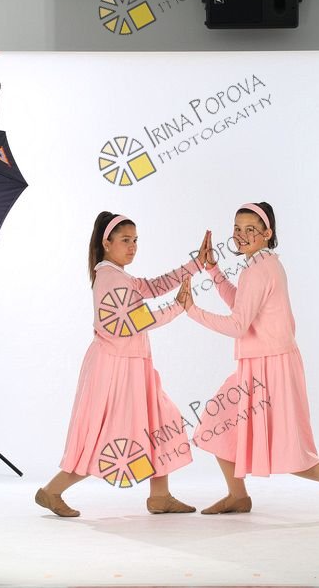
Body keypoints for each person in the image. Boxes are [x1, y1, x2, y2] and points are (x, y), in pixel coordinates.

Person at [176, 202, 319, 517]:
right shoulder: (261, 265)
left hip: (270, 368)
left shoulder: (259, 269)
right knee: (217, 422)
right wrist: (213, 268)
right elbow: (242, 305)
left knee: (287, 448)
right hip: (260, 364)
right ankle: (237, 495)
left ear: (267, 233)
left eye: (251, 229)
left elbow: (238, 325)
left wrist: (192, 310)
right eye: (237, 229)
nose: (241, 235)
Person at [35, 212, 208, 517]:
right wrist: (178, 306)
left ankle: (160, 496)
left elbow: (153, 286)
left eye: (135, 240)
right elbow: (135, 321)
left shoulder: (118, 275)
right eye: (126, 240)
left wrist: (196, 265)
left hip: (132, 365)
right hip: (115, 370)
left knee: (161, 422)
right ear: (107, 242)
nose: (132, 247)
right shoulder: (110, 278)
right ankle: (52, 491)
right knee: (107, 437)